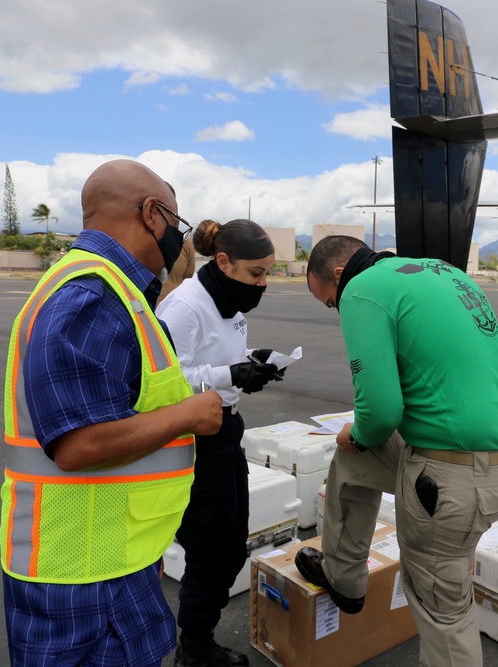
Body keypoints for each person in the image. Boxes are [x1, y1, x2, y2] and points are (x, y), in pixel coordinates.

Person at [0, 159, 224, 666]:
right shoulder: (93, 294)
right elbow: (80, 443)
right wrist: (189, 415)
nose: (178, 239)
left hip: (113, 553)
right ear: (151, 213)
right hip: (85, 574)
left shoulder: (114, 289)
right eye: (175, 222)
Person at [298, 236, 498, 667]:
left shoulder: (361, 289)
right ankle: (343, 577)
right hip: (492, 457)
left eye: (331, 301)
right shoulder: (443, 272)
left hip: (449, 477)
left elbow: (381, 410)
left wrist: (359, 432)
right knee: (353, 457)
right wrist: (359, 442)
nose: (337, 308)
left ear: (339, 275)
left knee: (444, 610)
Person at [156, 219, 282, 667]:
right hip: (194, 440)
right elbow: (167, 379)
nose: (262, 283)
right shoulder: (186, 307)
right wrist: (231, 375)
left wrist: (253, 364)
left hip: (226, 431)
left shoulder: (228, 303)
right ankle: (194, 648)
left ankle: (197, 637)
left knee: (229, 546)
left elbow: (217, 360)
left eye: (268, 272)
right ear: (223, 261)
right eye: (256, 273)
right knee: (210, 548)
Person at [159, 236, 196, 303]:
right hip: (174, 300)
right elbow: (189, 274)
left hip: (148, 299)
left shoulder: (150, 234)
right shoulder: (186, 240)